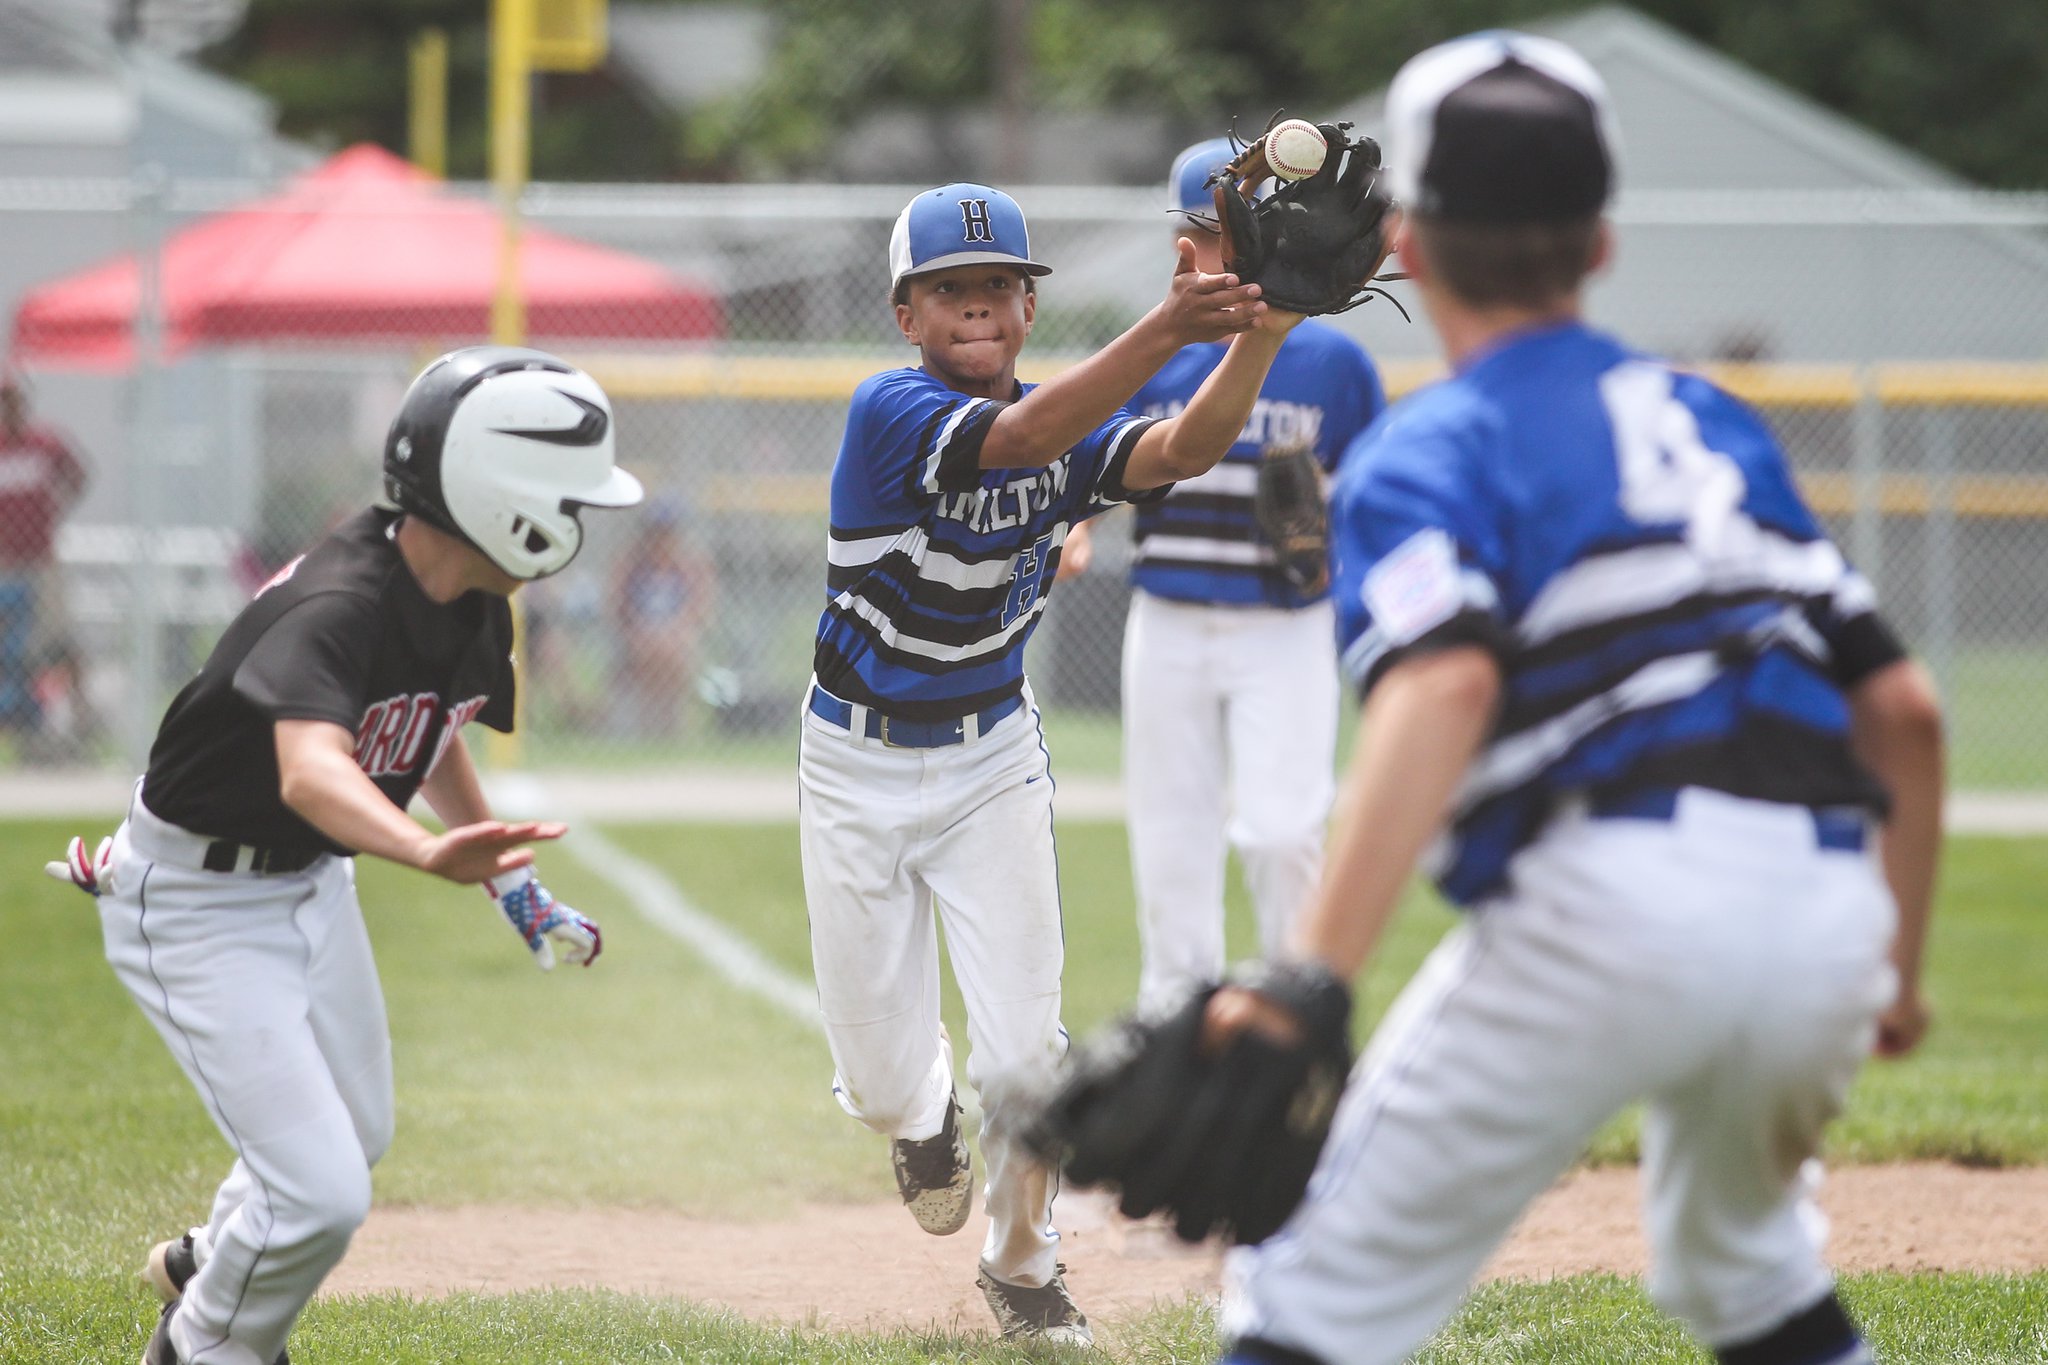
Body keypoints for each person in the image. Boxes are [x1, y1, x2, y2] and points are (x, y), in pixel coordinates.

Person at [1206, 34, 1944, 1365]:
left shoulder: (1428, 446)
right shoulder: (1711, 423)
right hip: (1827, 909)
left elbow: (1447, 682)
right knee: (1753, 1273)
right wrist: (1891, 968)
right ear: (1602, 243)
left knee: (1301, 1292)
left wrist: (1299, 984)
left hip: (1612, 899)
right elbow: (1905, 713)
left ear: (1407, 246)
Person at [48, 347, 642, 1365]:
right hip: (195, 899)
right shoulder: (343, 598)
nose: (577, 526)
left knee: (354, 1136)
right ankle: (203, 1345)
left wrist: (513, 883)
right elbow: (310, 772)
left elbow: (434, 724)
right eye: (566, 499)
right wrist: (423, 849)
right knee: (321, 1195)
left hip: (307, 884)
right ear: (501, 499)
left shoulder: (462, 597)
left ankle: (212, 1258)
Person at [800, 181, 1299, 1344]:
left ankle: (1021, 1270)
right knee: (877, 1088)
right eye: (948, 289)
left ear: (1027, 308)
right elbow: (1018, 440)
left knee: (1027, 1057)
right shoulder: (891, 411)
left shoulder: (1061, 423)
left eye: (998, 286)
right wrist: (1172, 325)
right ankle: (919, 1117)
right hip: (854, 766)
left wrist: (1258, 338)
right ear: (905, 315)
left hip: (990, 763)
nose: (976, 304)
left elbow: (1185, 444)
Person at [1064, 138, 1389, 1011]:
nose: (1216, 248)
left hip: (1287, 621)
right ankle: (1175, 1024)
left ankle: (1297, 1018)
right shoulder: (1157, 352)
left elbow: (1370, 487)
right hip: (1168, 618)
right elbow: (1098, 456)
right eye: (1203, 229)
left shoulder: (1334, 364)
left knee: (1283, 833)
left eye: (1233, 227)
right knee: (1172, 835)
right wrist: (1078, 526)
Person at [0, 372, 87, 750]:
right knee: (10, 644)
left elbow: (78, 476)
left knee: (58, 637)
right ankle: (16, 720)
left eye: (13, 399)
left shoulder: (43, 444)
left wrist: (53, 510)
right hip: (4, 562)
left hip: (41, 560)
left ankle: (81, 719)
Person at [611, 493, 716, 740]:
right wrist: (640, 633)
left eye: (668, 532)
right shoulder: (630, 563)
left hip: (678, 641)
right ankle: (646, 729)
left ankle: (674, 730)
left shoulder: (692, 565)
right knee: (650, 651)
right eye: (656, 532)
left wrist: (672, 634)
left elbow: (701, 611)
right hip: (637, 639)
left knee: (675, 652)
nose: (662, 539)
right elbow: (616, 608)